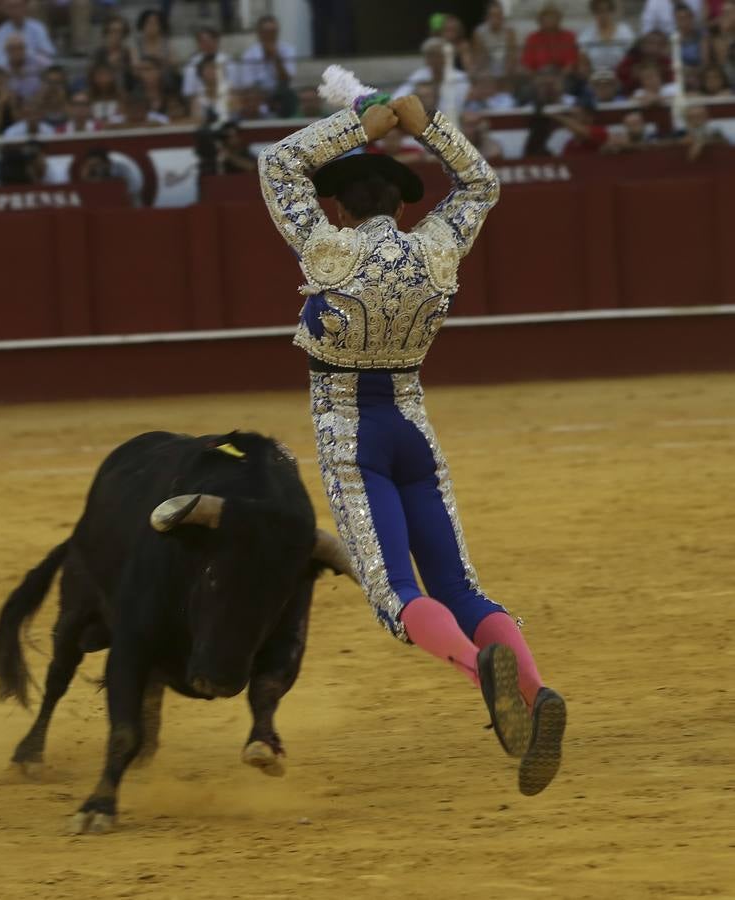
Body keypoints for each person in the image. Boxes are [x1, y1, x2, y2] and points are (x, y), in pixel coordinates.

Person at [258, 92, 567, 796]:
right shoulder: (436, 247)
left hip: (352, 435)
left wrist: (358, 126)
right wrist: (423, 124)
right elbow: (482, 183)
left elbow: (280, 165)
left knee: (398, 594)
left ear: (339, 207)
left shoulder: (327, 246)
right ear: (399, 208)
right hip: (411, 428)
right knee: (460, 586)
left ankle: (484, 681)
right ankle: (536, 688)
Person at [0, 0, 56, 69]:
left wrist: (24, 56)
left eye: (19, 6)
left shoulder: (38, 28)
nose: (16, 10)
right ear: (6, 10)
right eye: (12, 7)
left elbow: (48, 54)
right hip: (10, 75)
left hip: (35, 74)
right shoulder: (0, 32)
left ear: (25, 7)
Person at [577, 0, 635, 72]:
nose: (602, 15)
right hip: (595, 76)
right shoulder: (586, 34)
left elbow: (632, 56)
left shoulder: (624, 31)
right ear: (594, 13)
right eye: (598, 11)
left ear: (612, 12)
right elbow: (583, 62)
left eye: (606, 11)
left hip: (622, 75)